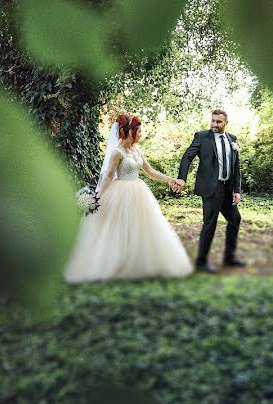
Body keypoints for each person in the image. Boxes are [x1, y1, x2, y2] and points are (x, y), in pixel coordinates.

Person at [63, 114, 191, 283]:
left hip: (139, 191)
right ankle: (118, 263)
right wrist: (98, 196)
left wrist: (170, 180)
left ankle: (138, 262)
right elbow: (109, 176)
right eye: (139, 131)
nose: (140, 134)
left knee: (140, 227)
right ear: (131, 131)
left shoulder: (137, 150)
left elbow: (150, 172)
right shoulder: (117, 152)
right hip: (120, 191)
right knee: (119, 227)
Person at [177, 109, 245, 274]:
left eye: (218, 122)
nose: (214, 124)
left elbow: (236, 166)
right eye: (213, 121)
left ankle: (229, 258)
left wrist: (236, 190)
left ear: (225, 123)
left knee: (235, 219)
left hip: (227, 189)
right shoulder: (202, 137)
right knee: (210, 224)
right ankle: (201, 262)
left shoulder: (232, 139)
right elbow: (187, 157)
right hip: (210, 189)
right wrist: (182, 178)